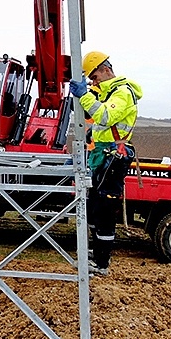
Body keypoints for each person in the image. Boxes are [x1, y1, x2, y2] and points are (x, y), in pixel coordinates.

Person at [69, 51, 143, 276]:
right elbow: (98, 121)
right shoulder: (109, 92)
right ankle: (96, 252)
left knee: (103, 210)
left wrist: (85, 96)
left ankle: (102, 263)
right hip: (103, 155)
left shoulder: (123, 93)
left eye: (94, 77)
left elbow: (104, 117)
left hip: (114, 157)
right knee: (93, 208)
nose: (93, 82)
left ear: (105, 70)